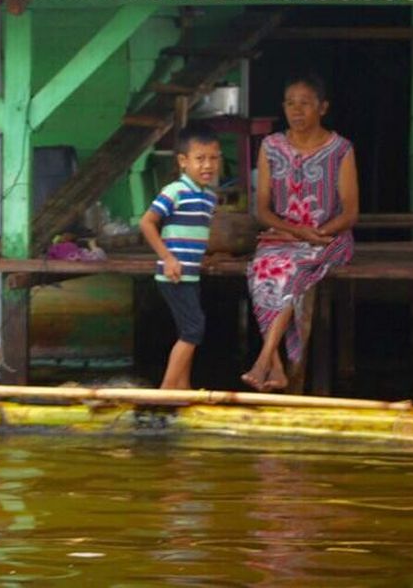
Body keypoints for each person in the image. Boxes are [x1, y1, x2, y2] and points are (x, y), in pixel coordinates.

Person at [241, 75, 358, 392]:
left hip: (328, 238)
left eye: (305, 103)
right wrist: (294, 231)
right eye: (290, 103)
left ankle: (264, 360)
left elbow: (349, 213)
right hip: (284, 236)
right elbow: (262, 210)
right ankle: (276, 366)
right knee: (262, 269)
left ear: (323, 107)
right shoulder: (271, 146)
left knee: (290, 271)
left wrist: (314, 233)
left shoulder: (340, 149)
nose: (297, 110)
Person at [139, 122, 221, 390]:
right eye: (200, 159)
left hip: (191, 275)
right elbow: (147, 223)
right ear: (183, 161)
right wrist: (168, 258)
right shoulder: (175, 191)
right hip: (173, 274)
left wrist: (203, 257)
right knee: (194, 330)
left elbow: (194, 233)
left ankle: (182, 390)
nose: (207, 165)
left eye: (213, 158)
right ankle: (166, 390)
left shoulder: (209, 197)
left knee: (187, 331)